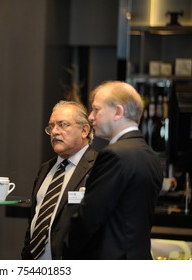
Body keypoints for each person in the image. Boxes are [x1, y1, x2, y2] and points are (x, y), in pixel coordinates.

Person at [62, 81, 163, 259]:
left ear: (118, 112)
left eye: (96, 109)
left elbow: (90, 217)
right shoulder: (151, 157)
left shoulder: (114, 155)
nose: (91, 117)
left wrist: (65, 249)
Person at [21, 100, 98, 260]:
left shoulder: (98, 166)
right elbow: (34, 219)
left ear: (84, 130)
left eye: (63, 125)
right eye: (51, 126)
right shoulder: (45, 169)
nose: (55, 131)